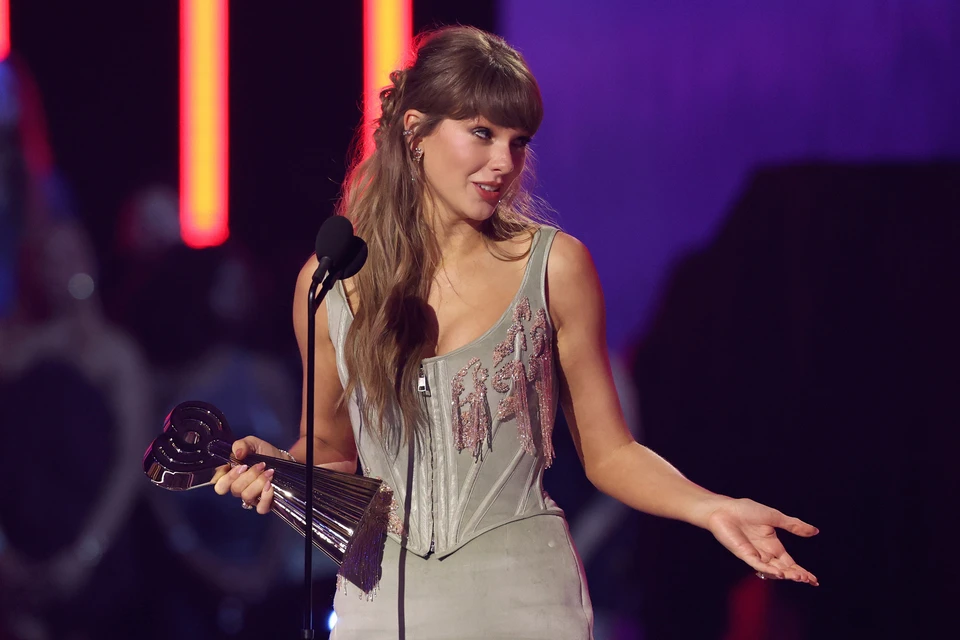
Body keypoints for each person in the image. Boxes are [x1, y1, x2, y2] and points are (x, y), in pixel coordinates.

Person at [211, 25, 817, 639]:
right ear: (415, 132)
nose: (504, 162)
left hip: (522, 598)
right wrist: (284, 470)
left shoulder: (554, 268)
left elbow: (610, 453)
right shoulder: (333, 281)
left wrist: (711, 508)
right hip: (380, 601)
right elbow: (331, 447)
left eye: (518, 141)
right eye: (482, 133)